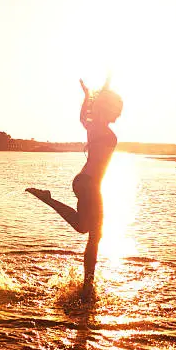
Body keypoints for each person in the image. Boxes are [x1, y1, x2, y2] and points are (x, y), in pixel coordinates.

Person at [26, 77, 123, 300]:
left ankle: (48, 199)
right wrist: (99, 90)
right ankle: (87, 289)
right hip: (88, 183)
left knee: (84, 228)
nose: (119, 114)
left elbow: (84, 115)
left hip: (86, 182)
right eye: (117, 109)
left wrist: (88, 96)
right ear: (108, 108)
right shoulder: (97, 126)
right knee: (94, 234)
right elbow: (89, 114)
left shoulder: (94, 126)